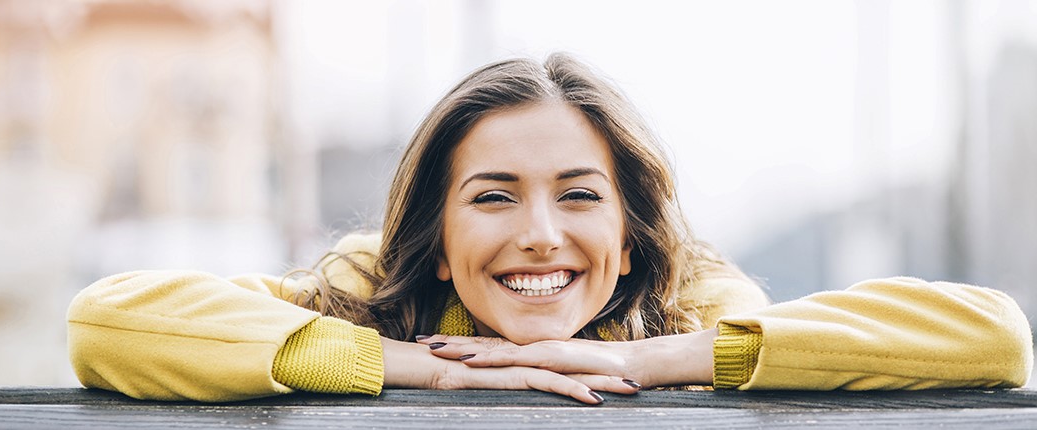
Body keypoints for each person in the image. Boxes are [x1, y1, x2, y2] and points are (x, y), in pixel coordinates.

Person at [67, 53, 1033, 405]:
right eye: (493, 196)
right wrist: (424, 368)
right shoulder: (370, 288)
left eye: (579, 196)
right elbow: (106, 322)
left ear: (627, 231)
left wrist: (647, 365)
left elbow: (992, 334)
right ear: (436, 234)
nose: (540, 234)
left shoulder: (691, 304)